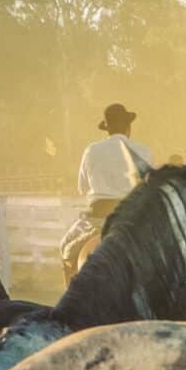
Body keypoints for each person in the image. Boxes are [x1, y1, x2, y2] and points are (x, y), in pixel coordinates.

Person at [60, 103, 154, 281]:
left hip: (99, 217)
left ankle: (70, 301)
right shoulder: (143, 151)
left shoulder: (92, 150)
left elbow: (83, 188)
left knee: (66, 247)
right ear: (129, 126)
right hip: (134, 217)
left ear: (107, 128)